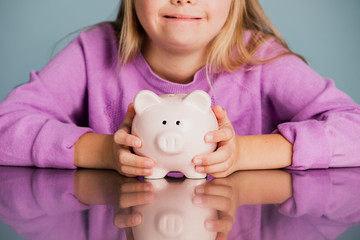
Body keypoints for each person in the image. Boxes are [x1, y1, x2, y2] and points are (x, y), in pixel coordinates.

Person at [0, 0, 359, 178]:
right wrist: (105, 152)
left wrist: (243, 155)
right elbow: (6, 127)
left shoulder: (261, 58)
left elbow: (353, 129)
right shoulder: (93, 52)